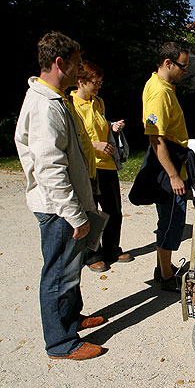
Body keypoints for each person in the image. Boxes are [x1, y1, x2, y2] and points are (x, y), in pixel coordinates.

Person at [14, 31, 105, 360]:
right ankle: (61, 342)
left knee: (70, 268)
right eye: (76, 63)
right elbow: (50, 168)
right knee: (57, 273)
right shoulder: (44, 106)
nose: (80, 70)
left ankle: (70, 319)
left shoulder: (54, 98)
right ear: (59, 63)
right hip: (58, 210)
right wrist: (75, 214)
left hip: (67, 206)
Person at [71, 60, 133, 272]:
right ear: (81, 81)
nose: (98, 86)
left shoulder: (98, 102)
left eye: (100, 82)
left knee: (114, 211)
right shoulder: (70, 104)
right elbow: (74, 136)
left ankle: (112, 249)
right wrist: (95, 144)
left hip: (107, 165)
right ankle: (91, 255)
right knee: (92, 212)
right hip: (88, 166)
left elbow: (100, 125)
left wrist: (112, 127)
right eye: (95, 82)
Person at [141, 42, 191, 291]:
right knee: (171, 220)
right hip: (168, 164)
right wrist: (173, 175)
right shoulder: (159, 92)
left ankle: (164, 267)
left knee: (170, 218)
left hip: (173, 159)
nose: (185, 71)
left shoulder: (163, 86)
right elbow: (156, 138)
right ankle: (166, 275)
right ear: (168, 63)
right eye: (183, 66)